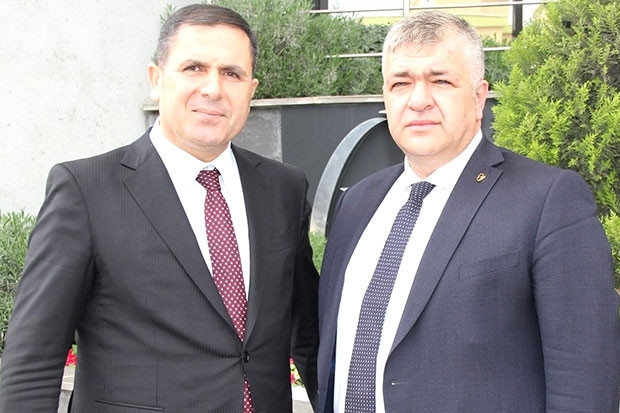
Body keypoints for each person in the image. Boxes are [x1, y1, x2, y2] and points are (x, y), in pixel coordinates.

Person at [0, 4, 319, 412]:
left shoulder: (283, 188)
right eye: (194, 68)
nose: (213, 89)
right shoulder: (85, 191)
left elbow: (308, 336)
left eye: (231, 74)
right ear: (156, 79)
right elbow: (32, 362)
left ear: (251, 89)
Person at [317, 10, 620, 413]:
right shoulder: (357, 202)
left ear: (478, 97)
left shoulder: (549, 200)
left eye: (440, 81)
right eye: (401, 83)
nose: (419, 100)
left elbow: (584, 383)